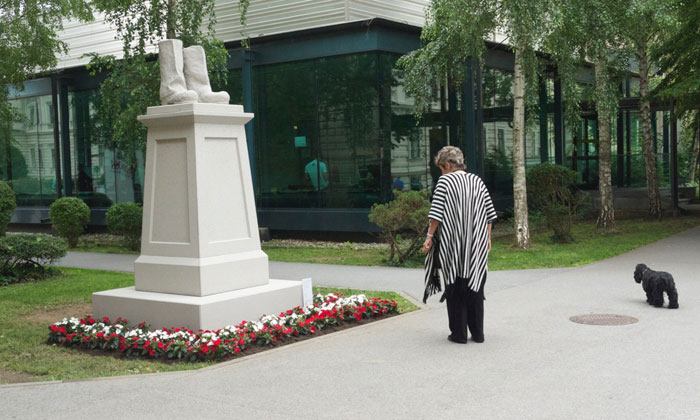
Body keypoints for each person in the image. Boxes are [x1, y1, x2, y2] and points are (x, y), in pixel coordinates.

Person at [422, 146, 497, 344]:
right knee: (475, 287)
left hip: (453, 244)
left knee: (455, 287)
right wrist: (487, 238)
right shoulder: (477, 180)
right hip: (477, 244)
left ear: (447, 164)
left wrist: (429, 236)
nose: (441, 172)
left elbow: (436, 214)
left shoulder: (445, 181)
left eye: (441, 168)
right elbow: (490, 214)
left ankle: (459, 334)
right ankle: (478, 333)